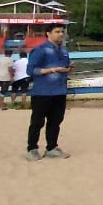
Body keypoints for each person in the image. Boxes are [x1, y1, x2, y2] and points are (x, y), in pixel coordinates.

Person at [24, 23, 72, 160]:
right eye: (57, 31)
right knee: (37, 122)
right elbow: (31, 71)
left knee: (56, 121)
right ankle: (32, 148)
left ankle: (52, 147)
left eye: (62, 31)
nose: (61, 34)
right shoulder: (40, 50)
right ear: (48, 34)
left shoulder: (63, 51)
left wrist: (68, 69)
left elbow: (63, 67)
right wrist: (51, 70)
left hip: (59, 91)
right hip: (42, 92)